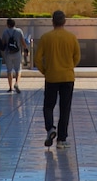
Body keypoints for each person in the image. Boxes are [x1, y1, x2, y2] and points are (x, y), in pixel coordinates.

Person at [34, 10, 80, 149]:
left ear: (52, 22)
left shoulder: (46, 37)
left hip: (52, 77)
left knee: (48, 106)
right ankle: (62, 139)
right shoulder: (71, 37)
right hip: (67, 77)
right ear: (64, 21)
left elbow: (37, 58)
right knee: (65, 108)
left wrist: (45, 71)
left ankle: (50, 128)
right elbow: (77, 57)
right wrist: (69, 66)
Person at [1, 18, 28, 93]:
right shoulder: (19, 31)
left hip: (8, 53)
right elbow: (23, 42)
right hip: (17, 53)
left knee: (9, 70)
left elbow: (3, 42)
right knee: (18, 69)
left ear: (8, 24)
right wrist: (26, 49)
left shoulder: (5, 32)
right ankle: (17, 83)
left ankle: (10, 87)